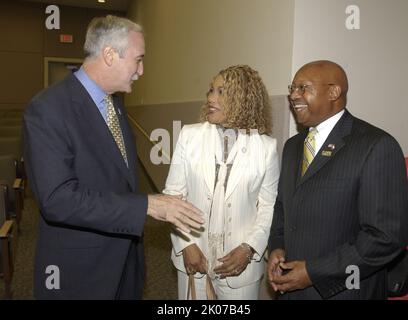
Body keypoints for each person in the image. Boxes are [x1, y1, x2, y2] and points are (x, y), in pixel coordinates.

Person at [23, 15, 204, 300]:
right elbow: (57, 200)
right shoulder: (48, 109)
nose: (141, 70)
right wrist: (148, 205)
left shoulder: (115, 106)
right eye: (138, 59)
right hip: (79, 274)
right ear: (109, 54)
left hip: (124, 266)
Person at [267, 60, 408, 300]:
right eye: (292, 88)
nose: (293, 95)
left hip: (344, 292)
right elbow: (282, 208)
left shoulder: (375, 145)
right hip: (291, 292)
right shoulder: (293, 147)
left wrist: (314, 273)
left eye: (303, 88)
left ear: (334, 92)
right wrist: (277, 247)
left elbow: (386, 237)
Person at [164, 65, 280, 299]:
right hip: (194, 259)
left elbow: (268, 207)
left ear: (244, 99)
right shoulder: (189, 136)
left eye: (221, 92)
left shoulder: (266, 148)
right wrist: (186, 245)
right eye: (211, 90)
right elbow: (173, 197)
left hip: (240, 267)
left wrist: (249, 249)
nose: (211, 98)